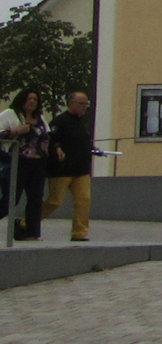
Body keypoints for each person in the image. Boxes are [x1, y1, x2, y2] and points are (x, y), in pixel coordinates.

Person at [42, 91, 94, 241]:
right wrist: (57, 149)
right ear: (71, 104)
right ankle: (27, 223)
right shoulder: (59, 121)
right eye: (82, 104)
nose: (85, 107)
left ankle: (79, 233)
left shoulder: (82, 123)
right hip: (62, 170)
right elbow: (51, 140)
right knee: (54, 201)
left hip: (81, 169)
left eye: (87, 104)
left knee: (84, 200)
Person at [0, 88, 51, 239]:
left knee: (36, 198)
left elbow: (47, 136)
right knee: (12, 198)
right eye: (29, 99)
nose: (32, 102)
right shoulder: (10, 114)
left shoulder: (40, 118)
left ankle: (32, 233)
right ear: (22, 100)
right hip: (16, 161)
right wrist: (16, 131)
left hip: (37, 163)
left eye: (35, 99)